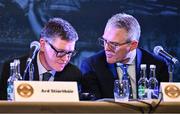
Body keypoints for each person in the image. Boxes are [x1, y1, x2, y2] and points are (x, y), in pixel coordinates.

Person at [80, 13, 169, 100]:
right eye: (105, 40)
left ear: (133, 45)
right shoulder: (92, 66)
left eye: (114, 44)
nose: (106, 48)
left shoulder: (157, 65)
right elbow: (93, 107)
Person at [0, 17, 82, 100]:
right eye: (60, 52)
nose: (65, 59)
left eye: (70, 53)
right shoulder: (17, 68)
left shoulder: (74, 74)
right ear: (43, 45)